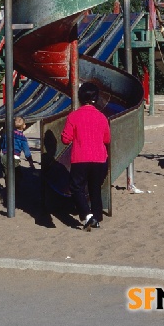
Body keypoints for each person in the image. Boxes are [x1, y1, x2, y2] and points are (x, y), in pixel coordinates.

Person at [61, 81, 111, 231]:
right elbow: (107, 139)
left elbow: (65, 139)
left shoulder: (74, 116)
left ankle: (87, 216)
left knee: (76, 188)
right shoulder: (102, 117)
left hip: (80, 158)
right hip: (100, 158)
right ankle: (96, 216)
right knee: (95, 187)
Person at [1, 116, 35, 181]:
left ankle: (8, 189)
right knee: (17, 177)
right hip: (15, 158)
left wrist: (4, 150)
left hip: (5, 157)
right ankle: (15, 190)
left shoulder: (7, 134)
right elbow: (27, 152)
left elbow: (2, 144)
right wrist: (31, 162)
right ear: (24, 126)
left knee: (7, 177)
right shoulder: (22, 138)